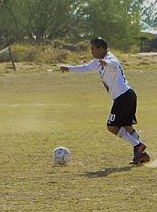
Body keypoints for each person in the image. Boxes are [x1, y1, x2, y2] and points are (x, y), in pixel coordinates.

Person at [60, 37, 151, 165]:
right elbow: (86, 68)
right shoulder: (98, 61)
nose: (91, 52)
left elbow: (114, 63)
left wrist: (106, 63)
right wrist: (69, 68)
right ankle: (141, 156)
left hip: (123, 97)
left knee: (112, 127)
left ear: (101, 48)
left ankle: (138, 146)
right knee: (127, 127)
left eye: (93, 49)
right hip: (127, 96)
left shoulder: (109, 58)